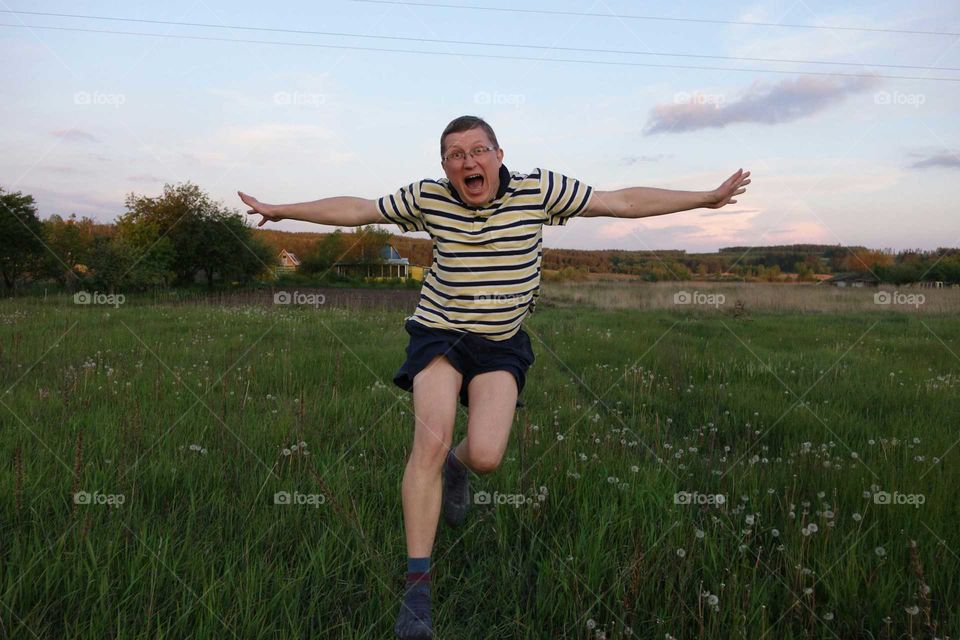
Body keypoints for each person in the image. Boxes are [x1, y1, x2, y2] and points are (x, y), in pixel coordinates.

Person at [238, 115, 749, 639]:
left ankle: (458, 469)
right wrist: (281, 210)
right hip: (440, 333)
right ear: (445, 166)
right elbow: (357, 209)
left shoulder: (540, 190)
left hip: (502, 342)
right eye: (455, 154)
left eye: (478, 150)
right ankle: (417, 593)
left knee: (485, 455)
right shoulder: (430, 197)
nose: (467, 161)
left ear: (499, 156)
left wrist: (705, 199)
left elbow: (621, 201)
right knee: (429, 441)